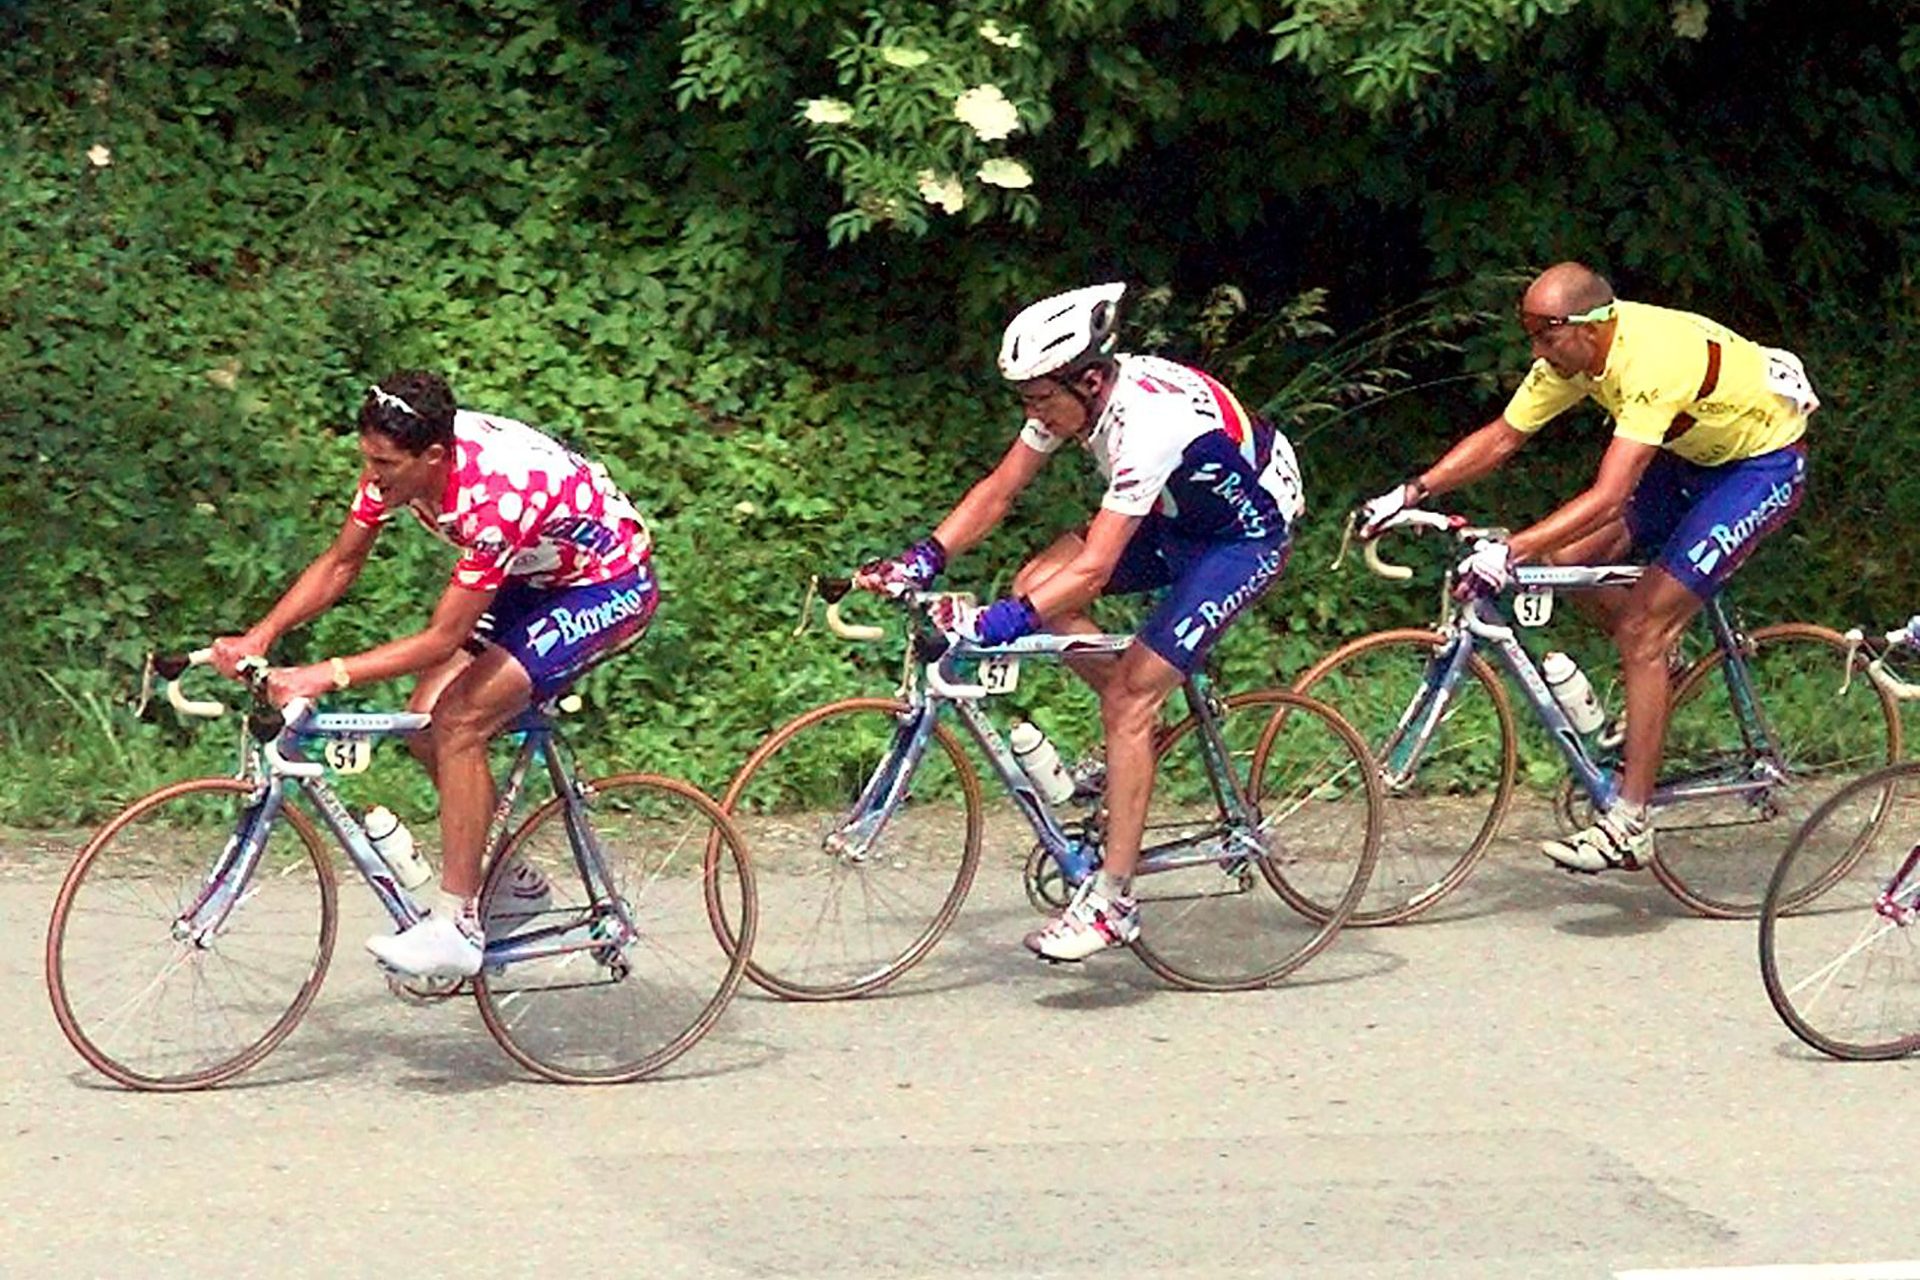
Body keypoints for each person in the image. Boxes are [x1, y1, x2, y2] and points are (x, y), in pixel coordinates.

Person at [855, 282, 1304, 961]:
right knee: (1039, 584)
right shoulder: (1074, 394)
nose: (1035, 415)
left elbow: (1095, 569)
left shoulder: (1145, 425)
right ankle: (1136, 728)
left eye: (1041, 401)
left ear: (1089, 380)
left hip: (1242, 537)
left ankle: (1114, 903)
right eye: (1027, 401)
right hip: (1180, 516)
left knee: (1122, 692)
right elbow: (1000, 490)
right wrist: (926, 556)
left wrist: (1005, 623)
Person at [1356, 262, 1817, 873]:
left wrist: (1508, 548)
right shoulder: (1573, 357)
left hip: (1760, 467)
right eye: (1531, 335)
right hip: (1692, 460)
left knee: (1641, 630)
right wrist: (1410, 493)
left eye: (1546, 335)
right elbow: (1502, 437)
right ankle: (1661, 666)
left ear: (1591, 326)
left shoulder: (1650, 360)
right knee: (1567, 560)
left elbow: (1605, 496)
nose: (1536, 350)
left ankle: (1631, 822)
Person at [211, 371, 658, 978]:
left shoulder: (495, 497)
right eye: (366, 457)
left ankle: (458, 925)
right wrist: (259, 636)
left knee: (460, 722)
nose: (373, 475)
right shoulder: (398, 465)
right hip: (534, 577)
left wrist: (324, 674)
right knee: (426, 722)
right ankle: (511, 883)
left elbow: (440, 638)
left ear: (434, 457)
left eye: (385, 463)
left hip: (604, 583)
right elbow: (342, 564)